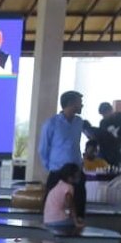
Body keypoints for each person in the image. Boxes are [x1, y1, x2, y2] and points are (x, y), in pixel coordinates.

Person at [38, 90, 87, 219]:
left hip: (76, 170)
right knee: (52, 204)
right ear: (71, 103)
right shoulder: (51, 123)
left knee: (79, 203)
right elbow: (43, 148)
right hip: (58, 170)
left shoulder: (79, 122)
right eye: (80, 103)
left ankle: (78, 230)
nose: (82, 105)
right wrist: (50, 167)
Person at [42, 162, 83, 233]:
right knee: (80, 223)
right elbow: (70, 205)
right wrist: (76, 221)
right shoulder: (68, 187)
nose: (79, 177)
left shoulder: (59, 185)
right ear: (70, 177)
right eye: (77, 175)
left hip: (47, 220)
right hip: (58, 220)